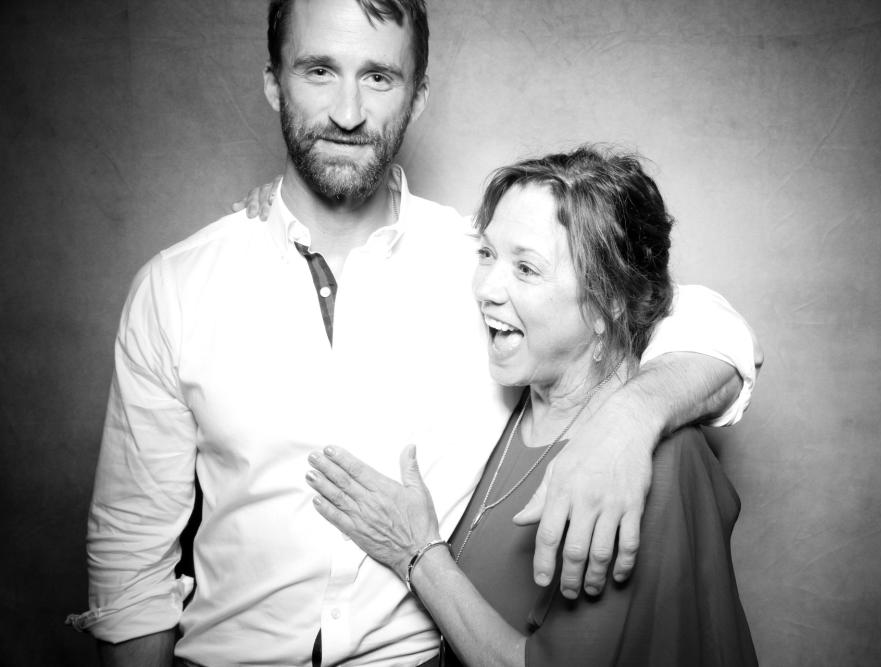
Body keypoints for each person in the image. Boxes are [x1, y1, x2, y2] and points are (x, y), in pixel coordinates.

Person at [69, 1, 760, 665]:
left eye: (378, 76)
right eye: (319, 70)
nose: (347, 113)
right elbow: (131, 554)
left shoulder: (478, 265)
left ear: (417, 95)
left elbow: (693, 317)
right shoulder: (178, 286)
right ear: (275, 83)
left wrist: (631, 418)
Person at [305, 145, 757, 666]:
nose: (485, 289)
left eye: (525, 268)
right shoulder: (509, 398)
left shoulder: (650, 467)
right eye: (486, 254)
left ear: (609, 300)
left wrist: (417, 553)